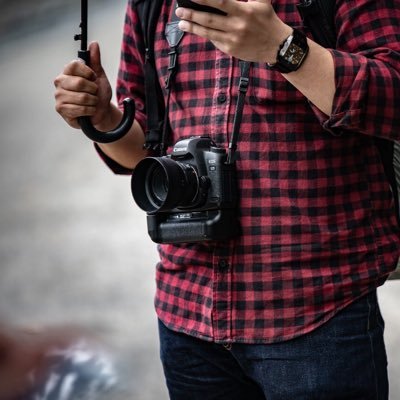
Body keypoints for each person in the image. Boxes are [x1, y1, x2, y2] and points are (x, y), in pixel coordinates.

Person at [54, 0, 400, 398]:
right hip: (186, 320)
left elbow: (392, 100)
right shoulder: (150, 5)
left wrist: (282, 47)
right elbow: (145, 154)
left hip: (319, 315)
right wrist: (102, 119)